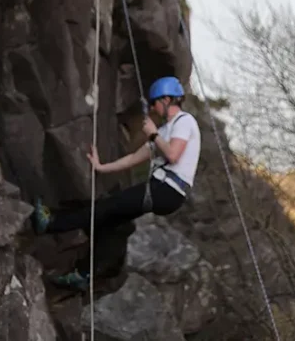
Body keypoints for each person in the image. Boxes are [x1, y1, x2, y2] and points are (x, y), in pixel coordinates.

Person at [33, 77, 201, 292]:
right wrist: (102, 166)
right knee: (110, 220)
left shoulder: (184, 121)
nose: (152, 107)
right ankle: (84, 274)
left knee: (105, 208)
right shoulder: (167, 129)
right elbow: (133, 158)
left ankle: (50, 223)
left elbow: (173, 155)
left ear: (167, 99)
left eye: (155, 102)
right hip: (164, 191)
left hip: (167, 190)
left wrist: (153, 134)